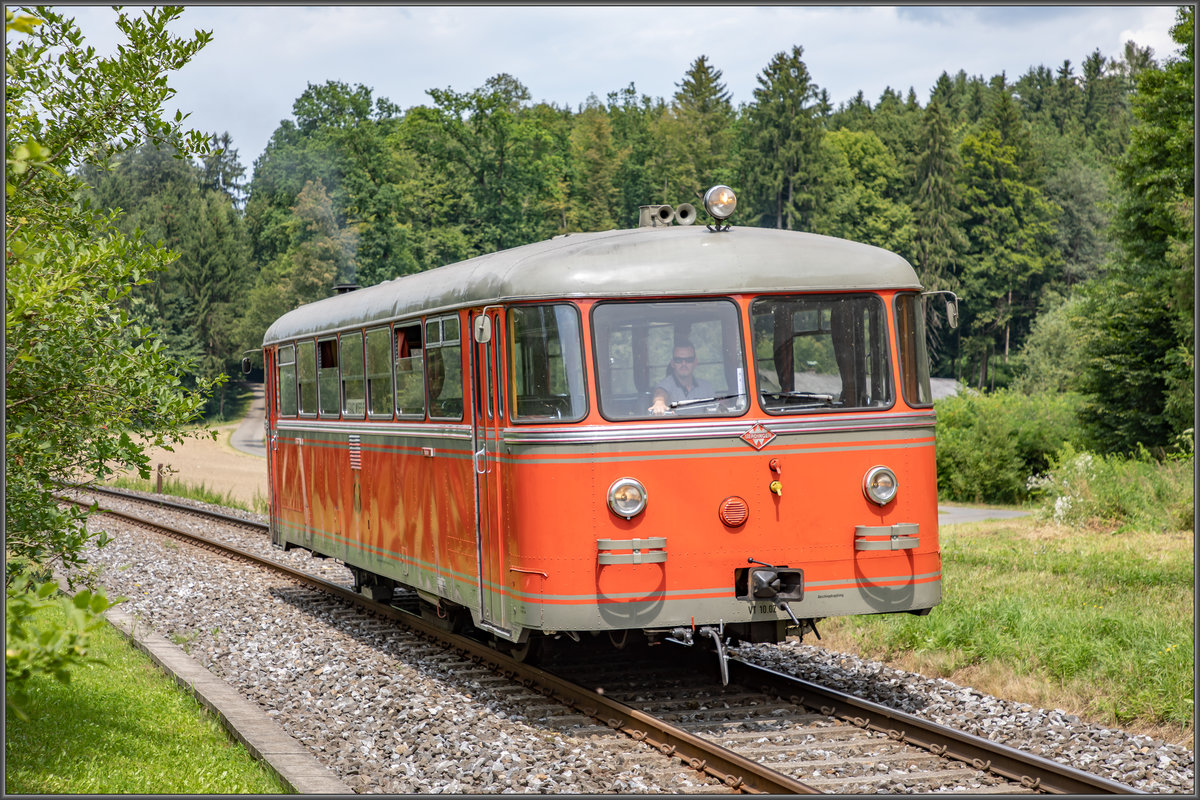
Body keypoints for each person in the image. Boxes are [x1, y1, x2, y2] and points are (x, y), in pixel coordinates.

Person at [649, 342, 714, 414]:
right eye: (678, 360)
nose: (684, 364)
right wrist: (659, 402)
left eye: (689, 360)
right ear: (672, 363)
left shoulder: (706, 387)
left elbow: (715, 412)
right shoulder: (666, 384)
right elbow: (660, 393)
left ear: (695, 362)